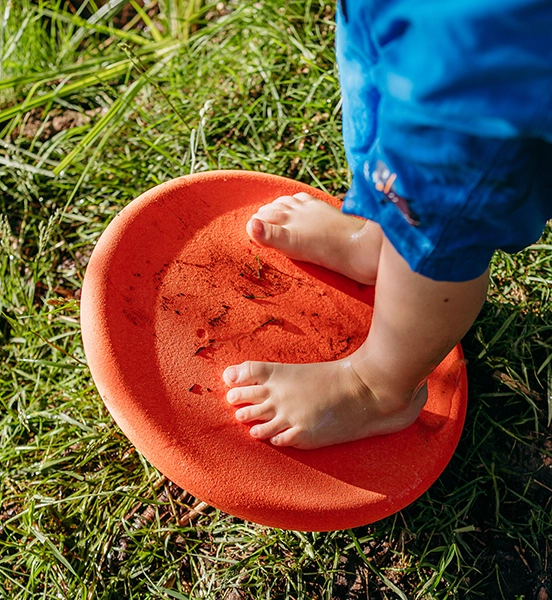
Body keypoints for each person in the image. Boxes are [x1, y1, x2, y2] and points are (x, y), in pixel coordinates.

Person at [222, 0, 552, 450]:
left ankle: (378, 387)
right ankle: (376, 239)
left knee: (438, 215)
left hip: (489, 56)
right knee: (382, 92)